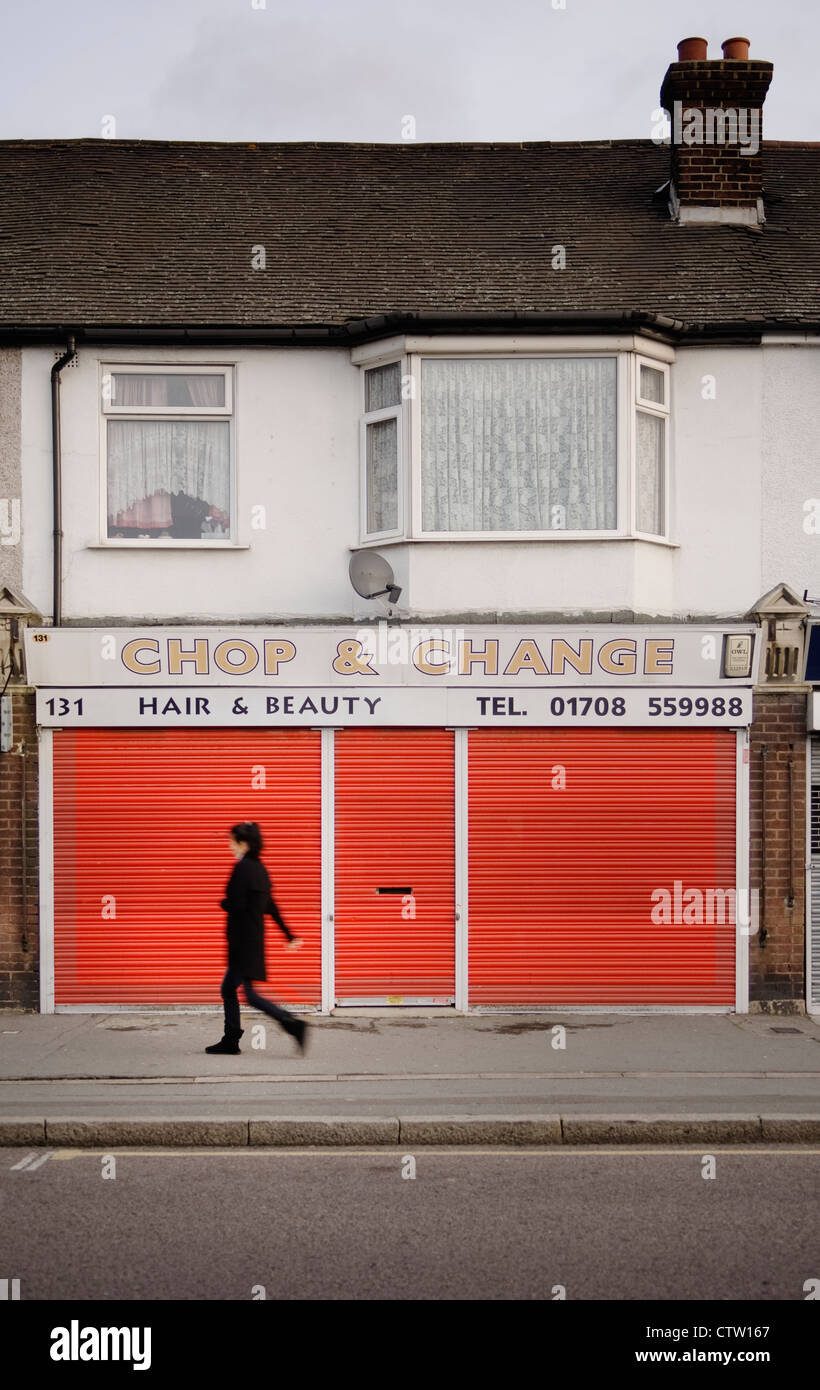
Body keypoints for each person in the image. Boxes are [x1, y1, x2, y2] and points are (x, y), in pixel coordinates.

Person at [205, 822, 308, 1056]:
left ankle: (292, 1024)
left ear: (244, 844)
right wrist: (289, 934)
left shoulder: (242, 869)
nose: (230, 846)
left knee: (249, 995)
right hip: (252, 941)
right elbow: (271, 906)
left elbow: (237, 904)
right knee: (229, 989)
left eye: (232, 841)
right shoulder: (261, 870)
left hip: (242, 942)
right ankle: (231, 1039)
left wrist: (224, 903)